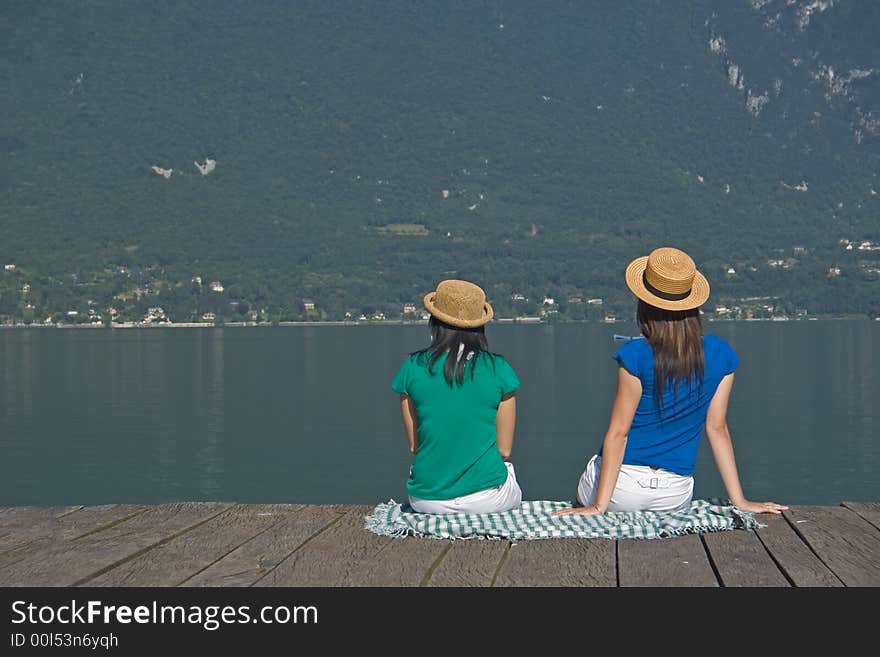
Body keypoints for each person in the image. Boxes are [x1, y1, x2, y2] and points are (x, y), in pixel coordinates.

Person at [554, 247, 788, 517]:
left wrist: (598, 506)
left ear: (644, 305)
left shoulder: (635, 355)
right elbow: (717, 428)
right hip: (674, 493)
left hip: (622, 489)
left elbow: (619, 433)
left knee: (584, 485)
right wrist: (741, 501)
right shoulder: (720, 354)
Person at [391, 279, 523, 514]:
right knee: (508, 470)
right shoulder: (498, 369)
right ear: (479, 326)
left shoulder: (412, 367)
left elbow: (415, 445)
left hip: (426, 500)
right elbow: (504, 450)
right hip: (486, 500)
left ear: (435, 323)